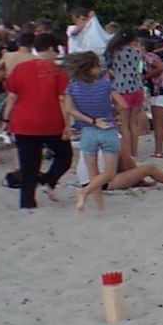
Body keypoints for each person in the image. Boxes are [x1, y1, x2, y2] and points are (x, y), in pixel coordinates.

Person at [4, 34, 72, 209]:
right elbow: (62, 100)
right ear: (49, 49)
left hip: (23, 121)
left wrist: (6, 118)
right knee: (64, 155)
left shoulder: (20, 68)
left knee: (28, 164)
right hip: (51, 122)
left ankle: (27, 201)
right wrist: (67, 124)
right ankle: (48, 180)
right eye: (55, 51)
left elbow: (12, 97)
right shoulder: (58, 71)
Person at [61, 52, 126, 214]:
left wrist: (91, 120)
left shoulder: (72, 87)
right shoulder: (105, 84)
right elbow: (123, 104)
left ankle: (100, 208)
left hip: (88, 130)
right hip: (107, 128)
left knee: (93, 173)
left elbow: (69, 109)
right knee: (109, 174)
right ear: (92, 68)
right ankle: (84, 192)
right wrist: (114, 111)